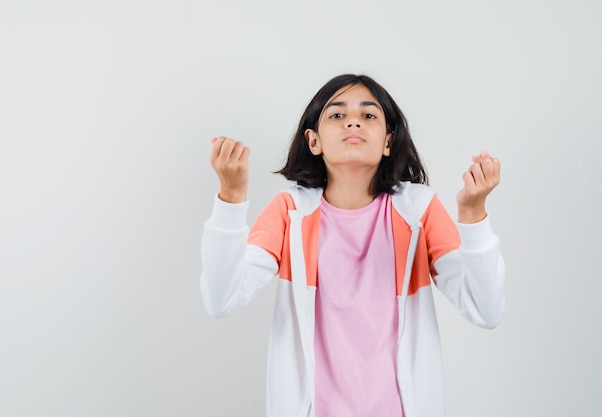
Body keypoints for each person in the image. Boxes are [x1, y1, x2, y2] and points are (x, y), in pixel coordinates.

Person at [200, 74, 505, 417]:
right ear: (313, 141)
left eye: (369, 115)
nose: (353, 121)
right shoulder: (291, 212)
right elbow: (221, 299)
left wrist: (473, 213)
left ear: (389, 142)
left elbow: (485, 310)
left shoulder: (418, 211)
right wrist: (231, 196)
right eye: (336, 114)